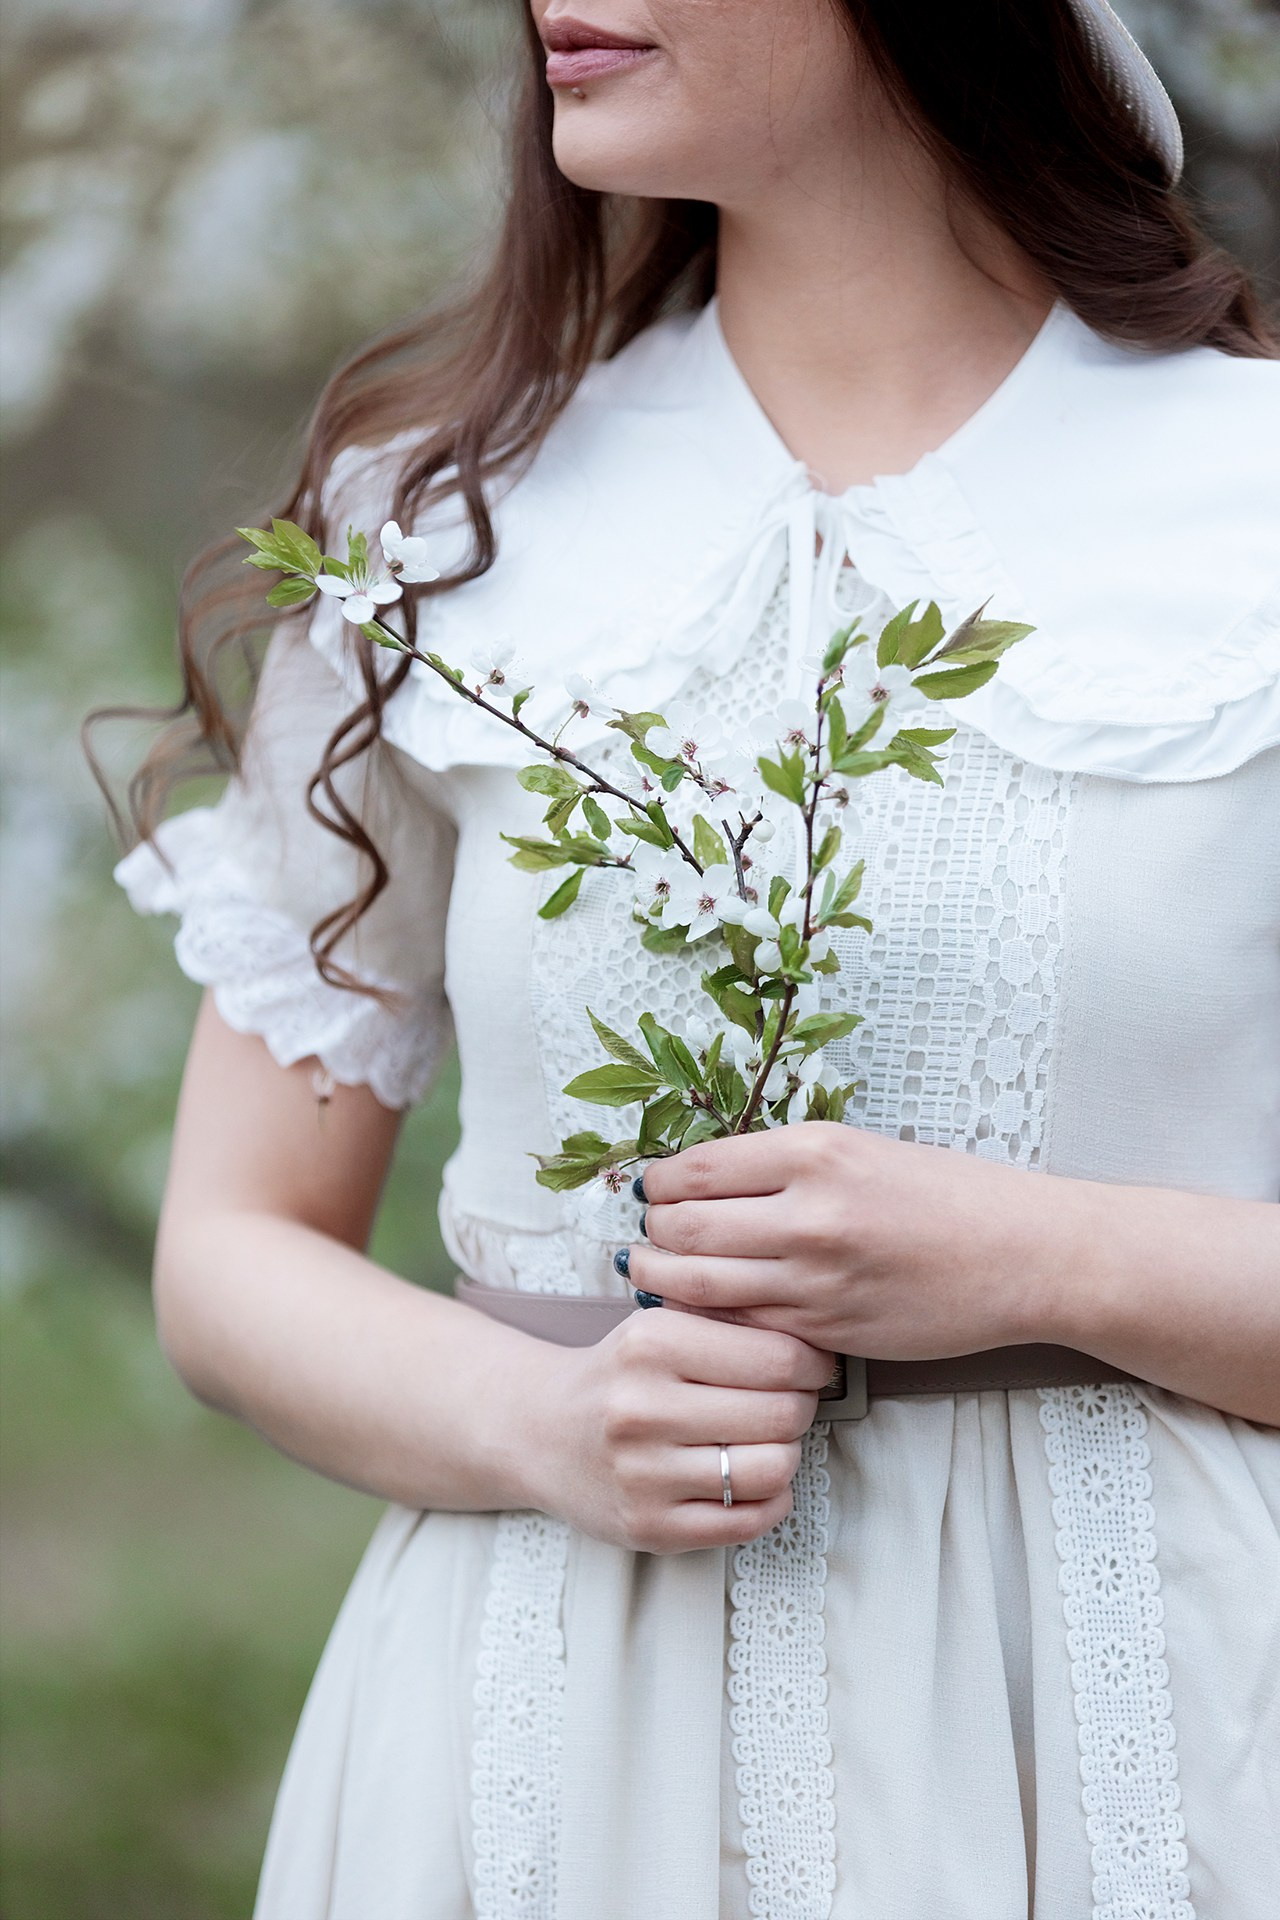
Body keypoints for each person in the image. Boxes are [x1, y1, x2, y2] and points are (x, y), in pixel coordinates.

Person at [98, 2, 1279, 1914]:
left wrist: (1035, 1256)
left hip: (1158, 1744)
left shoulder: (1255, 518)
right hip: (549, 1742)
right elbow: (232, 1255)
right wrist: (542, 1417)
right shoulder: (435, 532)